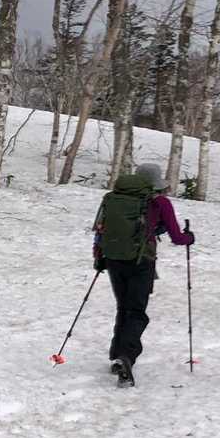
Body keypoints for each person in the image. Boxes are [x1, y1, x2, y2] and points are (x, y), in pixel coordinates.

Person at [92, 162, 195, 384]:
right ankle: (126, 356)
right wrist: (190, 237)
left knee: (123, 307)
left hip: (113, 259)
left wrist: (99, 257)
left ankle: (117, 354)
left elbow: (100, 228)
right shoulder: (160, 202)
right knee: (137, 311)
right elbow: (178, 238)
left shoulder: (113, 198)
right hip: (141, 261)